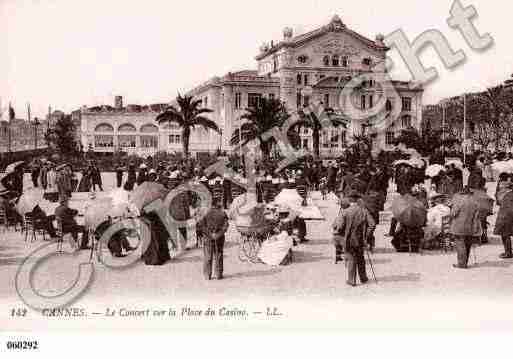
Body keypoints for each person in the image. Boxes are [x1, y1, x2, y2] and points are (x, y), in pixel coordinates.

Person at [333, 190, 376, 287]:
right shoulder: (364, 211)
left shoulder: (345, 211)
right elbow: (372, 224)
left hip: (349, 239)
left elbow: (340, 227)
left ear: (349, 199)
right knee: (360, 257)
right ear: (357, 199)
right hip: (360, 239)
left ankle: (352, 280)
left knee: (351, 258)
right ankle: (363, 278)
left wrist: (338, 231)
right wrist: (366, 235)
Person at [197, 197, 229, 280]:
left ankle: (207, 275)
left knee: (208, 256)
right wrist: (218, 234)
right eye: (220, 202)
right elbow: (226, 226)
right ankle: (219, 274)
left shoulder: (205, 213)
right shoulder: (223, 213)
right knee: (218, 255)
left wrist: (210, 234)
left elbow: (201, 226)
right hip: (219, 238)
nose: (221, 203)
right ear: (217, 203)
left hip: (208, 238)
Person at [450, 187, 482, 269]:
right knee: (467, 244)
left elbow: (453, 213)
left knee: (460, 244)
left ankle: (461, 264)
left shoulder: (459, 201)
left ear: (462, 193)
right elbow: (477, 216)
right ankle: (465, 262)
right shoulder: (475, 201)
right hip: (470, 226)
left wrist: (451, 209)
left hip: (459, 226)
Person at [494, 188, 513, 259]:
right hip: (508, 215)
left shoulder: (507, 194)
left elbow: (499, 202)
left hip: (506, 216)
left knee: (505, 234)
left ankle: (508, 253)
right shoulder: (507, 194)